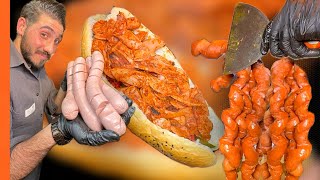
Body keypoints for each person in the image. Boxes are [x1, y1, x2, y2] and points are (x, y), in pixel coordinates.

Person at [10, 1, 135, 180]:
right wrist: (59, 130)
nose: (49, 49)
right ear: (22, 26)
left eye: (56, 41)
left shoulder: (38, 71)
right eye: (44, 34)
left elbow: (50, 112)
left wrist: (65, 89)